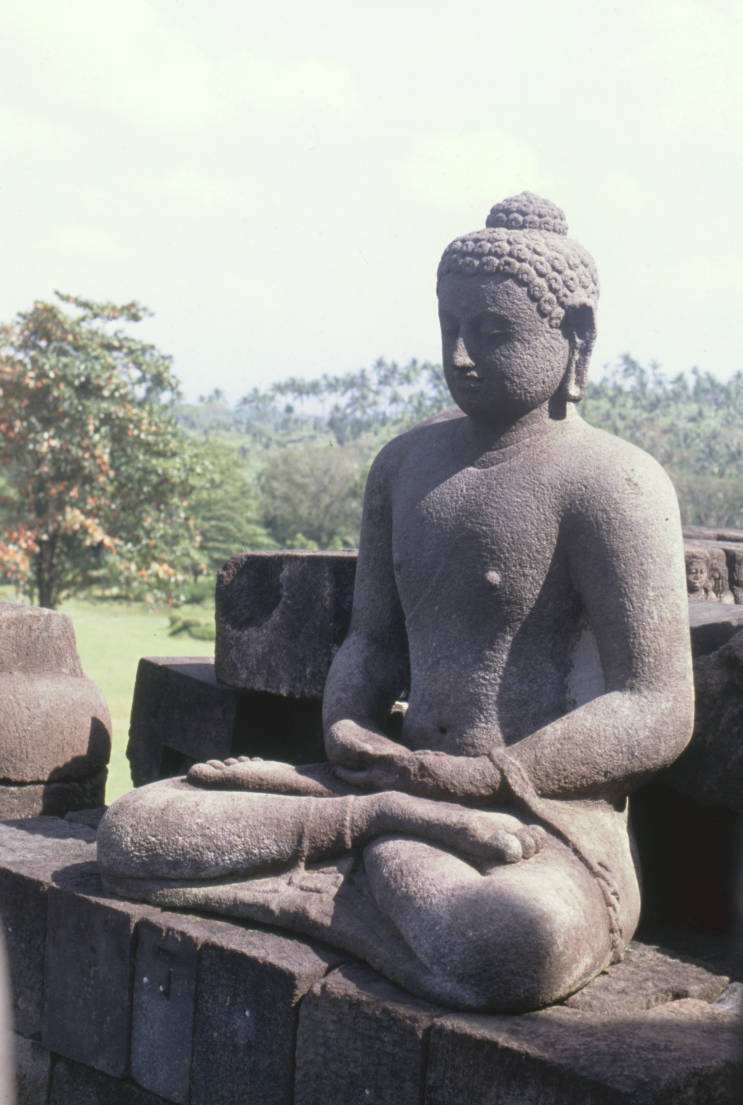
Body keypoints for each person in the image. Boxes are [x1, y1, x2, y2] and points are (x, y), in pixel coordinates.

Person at [98, 193, 694, 1012]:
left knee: (506, 943)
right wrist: (348, 728)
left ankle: (352, 872)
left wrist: (495, 773)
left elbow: (656, 704)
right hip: (389, 788)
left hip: (536, 824)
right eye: (448, 326)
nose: (459, 355)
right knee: (134, 827)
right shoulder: (404, 465)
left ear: (576, 335)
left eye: (491, 332)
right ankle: (372, 835)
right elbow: (372, 641)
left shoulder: (613, 484)